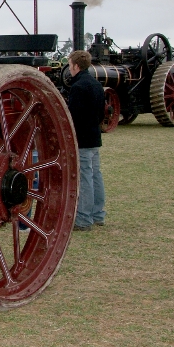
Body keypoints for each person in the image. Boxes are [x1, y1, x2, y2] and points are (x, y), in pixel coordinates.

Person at [67, 50, 106, 231]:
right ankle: (98, 214)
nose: (70, 69)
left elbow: (73, 116)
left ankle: (83, 218)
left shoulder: (78, 87)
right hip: (94, 136)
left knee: (84, 177)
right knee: (95, 175)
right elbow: (101, 113)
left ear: (76, 66)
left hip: (82, 138)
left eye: (70, 65)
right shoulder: (97, 85)